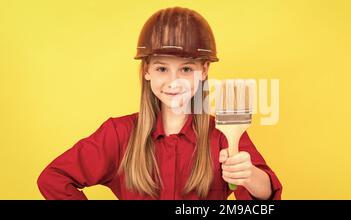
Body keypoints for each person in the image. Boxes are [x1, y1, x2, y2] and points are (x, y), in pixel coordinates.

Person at [37, 6, 282, 200]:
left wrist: (249, 175)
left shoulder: (222, 136)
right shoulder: (118, 134)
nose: (173, 81)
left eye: (186, 68)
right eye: (162, 68)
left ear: (204, 70)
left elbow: (265, 197)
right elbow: (54, 178)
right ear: (146, 70)